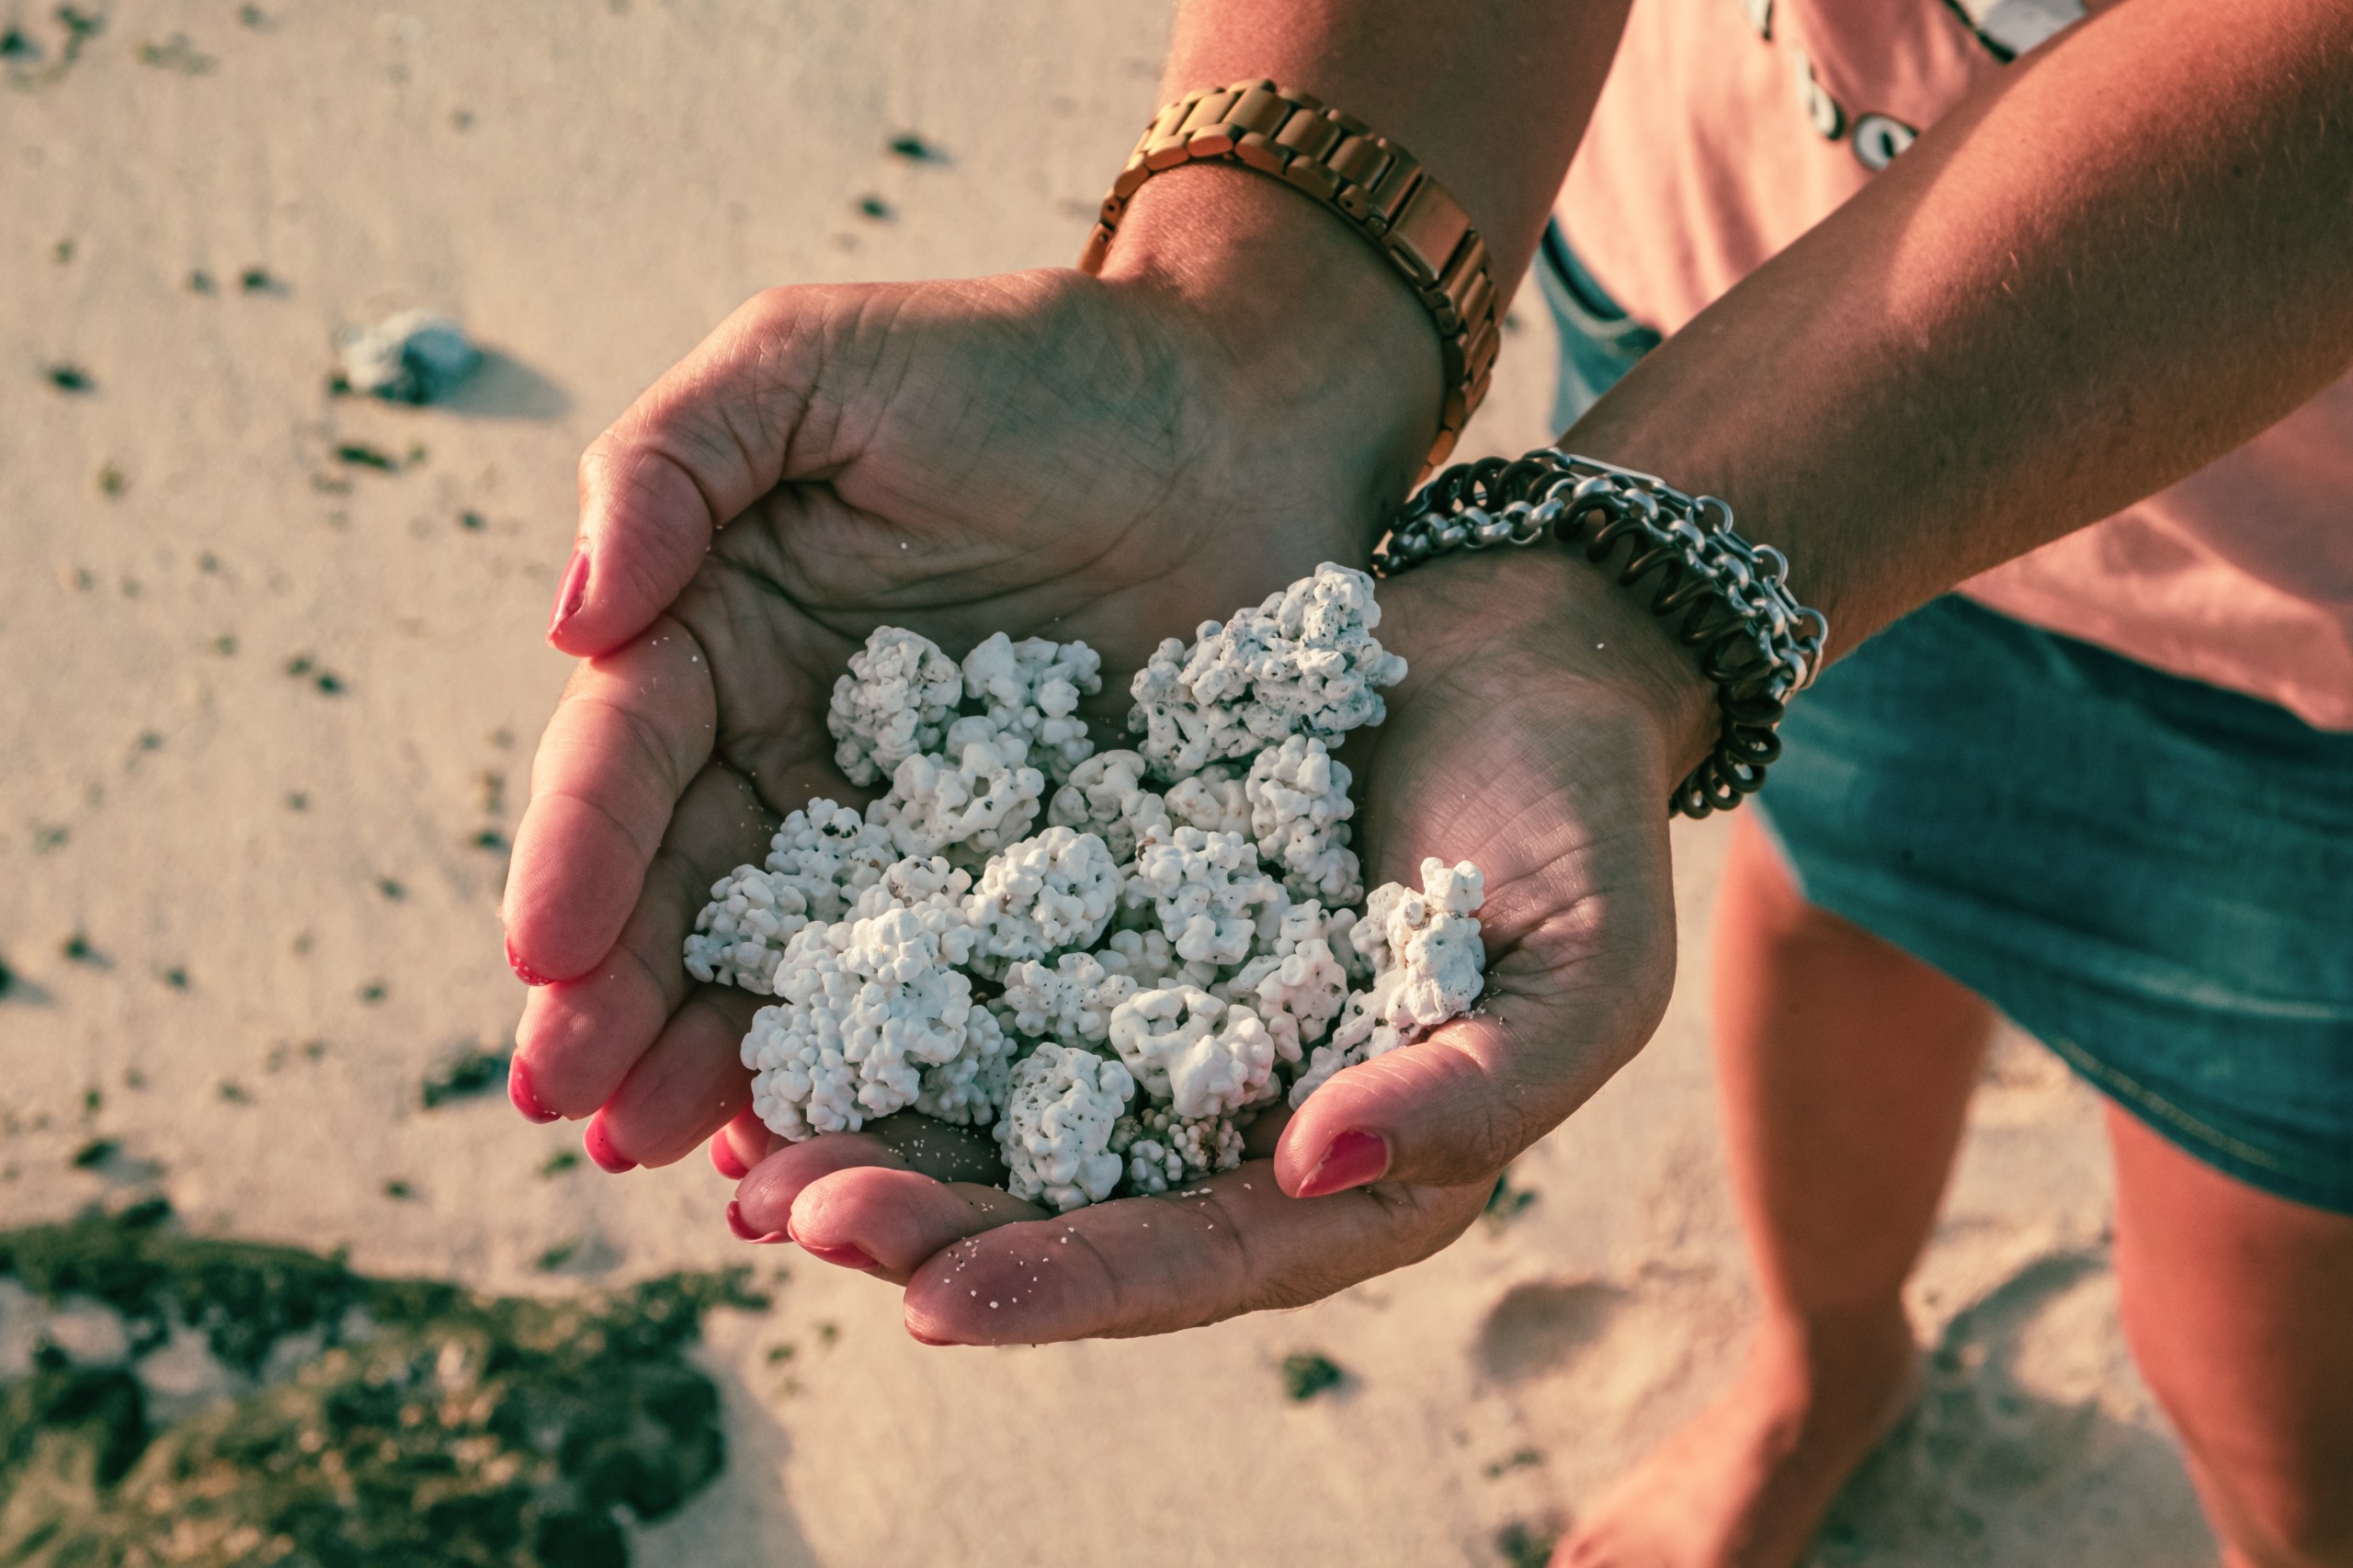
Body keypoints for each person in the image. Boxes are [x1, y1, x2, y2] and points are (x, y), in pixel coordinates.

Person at [498, 1, 2353, 1562]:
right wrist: (1261, 314)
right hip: (1741, 283)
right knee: (1843, 874)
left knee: (2262, 1343)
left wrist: (1634, 580)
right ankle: (1822, 1354)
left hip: (2291, 563)